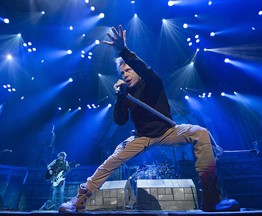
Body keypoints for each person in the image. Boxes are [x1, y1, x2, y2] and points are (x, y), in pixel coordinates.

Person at [59, 25, 240, 212]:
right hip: (141, 136)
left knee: (200, 133)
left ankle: (212, 198)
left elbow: (145, 69)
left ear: (137, 70)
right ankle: (78, 202)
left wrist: (123, 51)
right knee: (111, 162)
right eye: (122, 73)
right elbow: (120, 120)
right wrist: (120, 97)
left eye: (129, 70)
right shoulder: (126, 93)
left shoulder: (152, 83)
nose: (126, 74)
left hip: (168, 131)